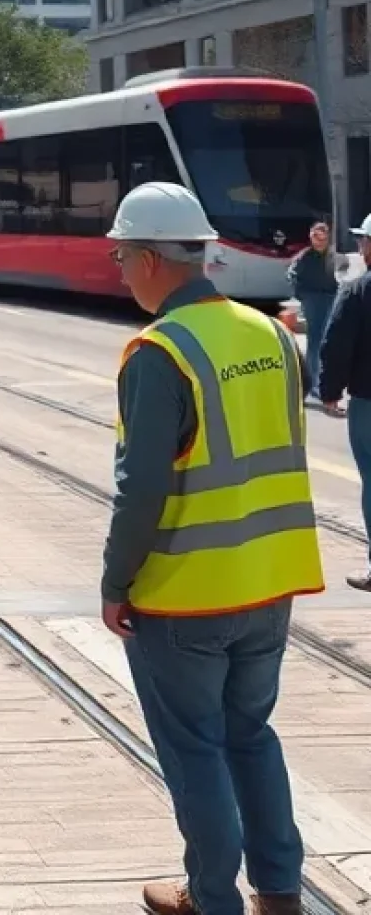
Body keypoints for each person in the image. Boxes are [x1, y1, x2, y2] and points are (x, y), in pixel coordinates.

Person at [101, 181, 322, 915]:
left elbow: (141, 491)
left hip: (186, 593)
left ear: (156, 261)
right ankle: (281, 891)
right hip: (270, 584)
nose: (121, 271)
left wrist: (115, 582)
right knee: (250, 735)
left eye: (124, 256)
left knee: (195, 748)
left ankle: (211, 899)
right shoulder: (270, 335)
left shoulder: (159, 352)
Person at [313, 213, 371, 582]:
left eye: (364, 241)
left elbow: (335, 345)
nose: (362, 248)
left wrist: (330, 391)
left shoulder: (357, 291)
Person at [287, 222, 342, 406]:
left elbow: (342, 273)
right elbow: (292, 274)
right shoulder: (305, 256)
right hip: (312, 299)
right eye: (315, 237)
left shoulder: (333, 256)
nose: (318, 241)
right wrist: (301, 294)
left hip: (329, 298)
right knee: (314, 340)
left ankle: (319, 381)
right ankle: (312, 383)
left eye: (322, 237)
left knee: (326, 340)